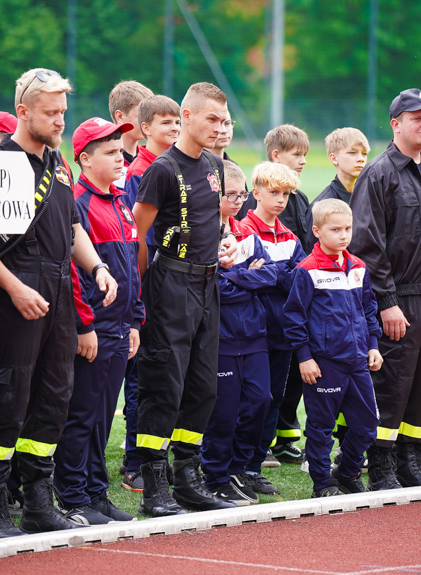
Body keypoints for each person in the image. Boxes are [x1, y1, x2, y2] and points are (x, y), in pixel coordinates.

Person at [0, 68, 118, 540]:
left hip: (58, 285)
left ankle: (38, 503)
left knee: (54, 398)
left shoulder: (59, 162)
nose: (60, 121)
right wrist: (13, 286)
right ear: (23, 111)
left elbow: (74, 227)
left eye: (63, 111)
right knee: (3, 397)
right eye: (51, 112)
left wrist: (96, 267)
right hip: (13, 286)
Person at [132, 81, 236, 517]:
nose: (218, 127)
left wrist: (225, 245)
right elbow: (136, 235)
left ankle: (188, 479)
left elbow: (212, 222)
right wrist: (139, 296)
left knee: (202, 387)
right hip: (170, 285)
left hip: (209, 286)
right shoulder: (162, 169)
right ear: (187, 118)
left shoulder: (214, 165)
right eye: (210, 118)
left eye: (223, 119)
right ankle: (154, 486)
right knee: (164, 386)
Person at [349, 88, 421, 491]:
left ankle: (412, 460)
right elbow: (366, 245)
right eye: (417, 117)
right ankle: (381, 466)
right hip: (400, 298)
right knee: (392, 383)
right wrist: (388, 303)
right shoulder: (379, 174)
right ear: (396, 124)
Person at [52, 117, 142, 526]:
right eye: (109, 152)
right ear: (84, 159)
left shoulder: (121, 199)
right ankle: (72, 494)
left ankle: (96, 492)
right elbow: (74, 273)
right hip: (95, 328)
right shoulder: (81, 204)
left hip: (120, 327)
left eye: (120, 149)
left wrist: (135, 321)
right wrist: (84, 326)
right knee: (81, 414)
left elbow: (131, 270)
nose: (120, 157)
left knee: (104, 415)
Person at [285, 199, 382, 497]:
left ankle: (347, 473)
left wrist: (373, 345)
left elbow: (368, 309)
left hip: (357, 362)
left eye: (348, 229)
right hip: (324, 364)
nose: (343, 235)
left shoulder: (358, 267)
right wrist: (304, 357)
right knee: (321, 428)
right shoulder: (307, 270)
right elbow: (293, 317)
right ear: (316, 231)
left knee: (368, 425)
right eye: (335, 229)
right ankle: (322, 483)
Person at [201, 161, 276, 506]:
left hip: (254, 335)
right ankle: (216, 475)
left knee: (261, 401)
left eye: (241, 193)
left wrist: (237, 279)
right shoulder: (204, 234)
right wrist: (246, 279)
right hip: (222, 338)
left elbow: (271, 275)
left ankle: (240, 468)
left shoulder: (247, 234)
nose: (237, 200)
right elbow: (214, 289)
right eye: (230, 194)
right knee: (225, 410)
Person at [119, 94, 180, 493]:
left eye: (177, 123)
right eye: (165, 124)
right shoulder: (141, 173)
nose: (174, 130)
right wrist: (141, 288)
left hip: (175, 284)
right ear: (145, 129)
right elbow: (135, 236)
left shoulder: (179, 166)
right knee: (142, 376)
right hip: (148, 284)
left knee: (166, 376)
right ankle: (134, 461)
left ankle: (158, 457)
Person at [237, 161, 305, 494]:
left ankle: (253, 466)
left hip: (282, 333)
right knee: (251, 399)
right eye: (274, 192)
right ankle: (235, 466)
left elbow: (300, 281)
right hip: (248, 332)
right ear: (256, 192)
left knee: (272, 399)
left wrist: (269, 272)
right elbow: (243, 278)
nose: (281, 200)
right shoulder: (242, 231)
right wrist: (279, 274)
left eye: (286, 194)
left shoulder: (291, 238)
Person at [304, 127, 370, 248]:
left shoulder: (374, 195)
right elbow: (312, 251)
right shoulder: (322, 204)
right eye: (352, 153)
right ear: (334, 158)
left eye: (364, 154)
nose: (361, 158)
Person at [109, 80, 154, 186]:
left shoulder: (150, 159)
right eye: (141, 115)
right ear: (120, 117)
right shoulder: (108, 165)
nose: (148, 122)